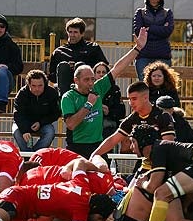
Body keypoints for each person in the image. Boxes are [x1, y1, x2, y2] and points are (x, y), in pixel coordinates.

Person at [62, 32, 148, 160]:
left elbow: (117, 68)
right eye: (86, 80)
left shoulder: (97, 88)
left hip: (97, 145)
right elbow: (71, 124)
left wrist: (137, 48)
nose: (91, 83)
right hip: (77, 147)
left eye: (92, 79)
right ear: (76, 80)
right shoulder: (68, 97)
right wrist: (88, 105)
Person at [91, 80, 175, 158]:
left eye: (134, 99)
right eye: (129, 99)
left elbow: (168, 146)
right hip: (142, 163)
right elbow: (112, 140)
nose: (131, 103)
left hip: (161, 164)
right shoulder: (132, 119)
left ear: (145, 97)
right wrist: (94, 156)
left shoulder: (163, 116)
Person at [47, 18, 108, 90]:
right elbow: (52, 76)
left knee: (81, 66)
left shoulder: (93, 48)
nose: (72, 35)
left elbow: (103, 68)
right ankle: (64, 98)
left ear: (82, 33)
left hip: (87, 88)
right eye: (70, 32)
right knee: (63, 66)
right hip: (65, 89)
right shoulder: (59, 52)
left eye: (75, 32)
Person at [12, 69, 61, 152]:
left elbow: (56, 113)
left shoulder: (52, 93)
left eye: (40, 85)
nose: (37, 89)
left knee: (50, 132)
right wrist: (24, 130)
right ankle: (28, 155)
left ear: (45, 84)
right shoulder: (22, 94)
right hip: (24, 122)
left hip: (44, 123)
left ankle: (36, 154)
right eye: (34, 86)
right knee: (17, 131)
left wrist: (41, 122)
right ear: (28, 84)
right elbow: (17, 114)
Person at [132, 0, 174, 79]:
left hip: (163, 55)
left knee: (164, 85)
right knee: (144, 85)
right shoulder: (140, 13)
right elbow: (139, 32)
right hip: (144, 55)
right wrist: (160, 30)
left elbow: (168, 31)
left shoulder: (167, 13)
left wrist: (150, 28)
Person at [94, 61, 126, 142]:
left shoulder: (115, 90)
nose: (101, 74)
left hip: (108, 122)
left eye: (104, 72)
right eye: (98, 72)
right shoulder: (88, 89)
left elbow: (121, 112)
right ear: (94, 75)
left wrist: (109, 112)